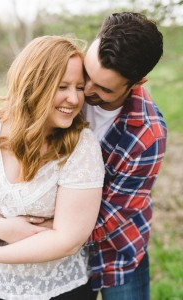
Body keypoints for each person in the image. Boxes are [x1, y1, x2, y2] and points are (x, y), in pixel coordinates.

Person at [0, 35, 105, 300]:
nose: (74, 99)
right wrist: (6, 230)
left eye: (79, 87)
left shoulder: (82, 146)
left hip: (54, 290)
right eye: (62, 86)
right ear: (32, 85)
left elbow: (68, 240)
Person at [82, 12, 167, 300]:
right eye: (87, 74)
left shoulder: (148, 134)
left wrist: (45, 230)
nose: (86, 91)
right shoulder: (65, 84)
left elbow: (110, 218)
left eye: (104, 88)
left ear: (137, 82)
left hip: (115, 248)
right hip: (54, 245)